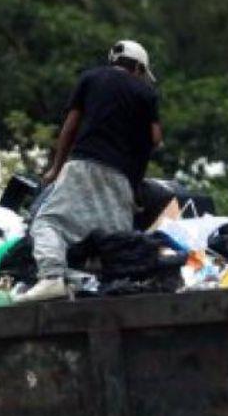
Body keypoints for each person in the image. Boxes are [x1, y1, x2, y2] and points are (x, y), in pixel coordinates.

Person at [16, 40, 162, 303]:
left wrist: (55, 169)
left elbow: (70, 128)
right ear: (139, 67)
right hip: (120, 178)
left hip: (83, 165)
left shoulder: (90, 78)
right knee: (115, 241)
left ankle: (51, 277)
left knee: (49, 222)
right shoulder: (145, 92)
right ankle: (116, 290)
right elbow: (154, 138)